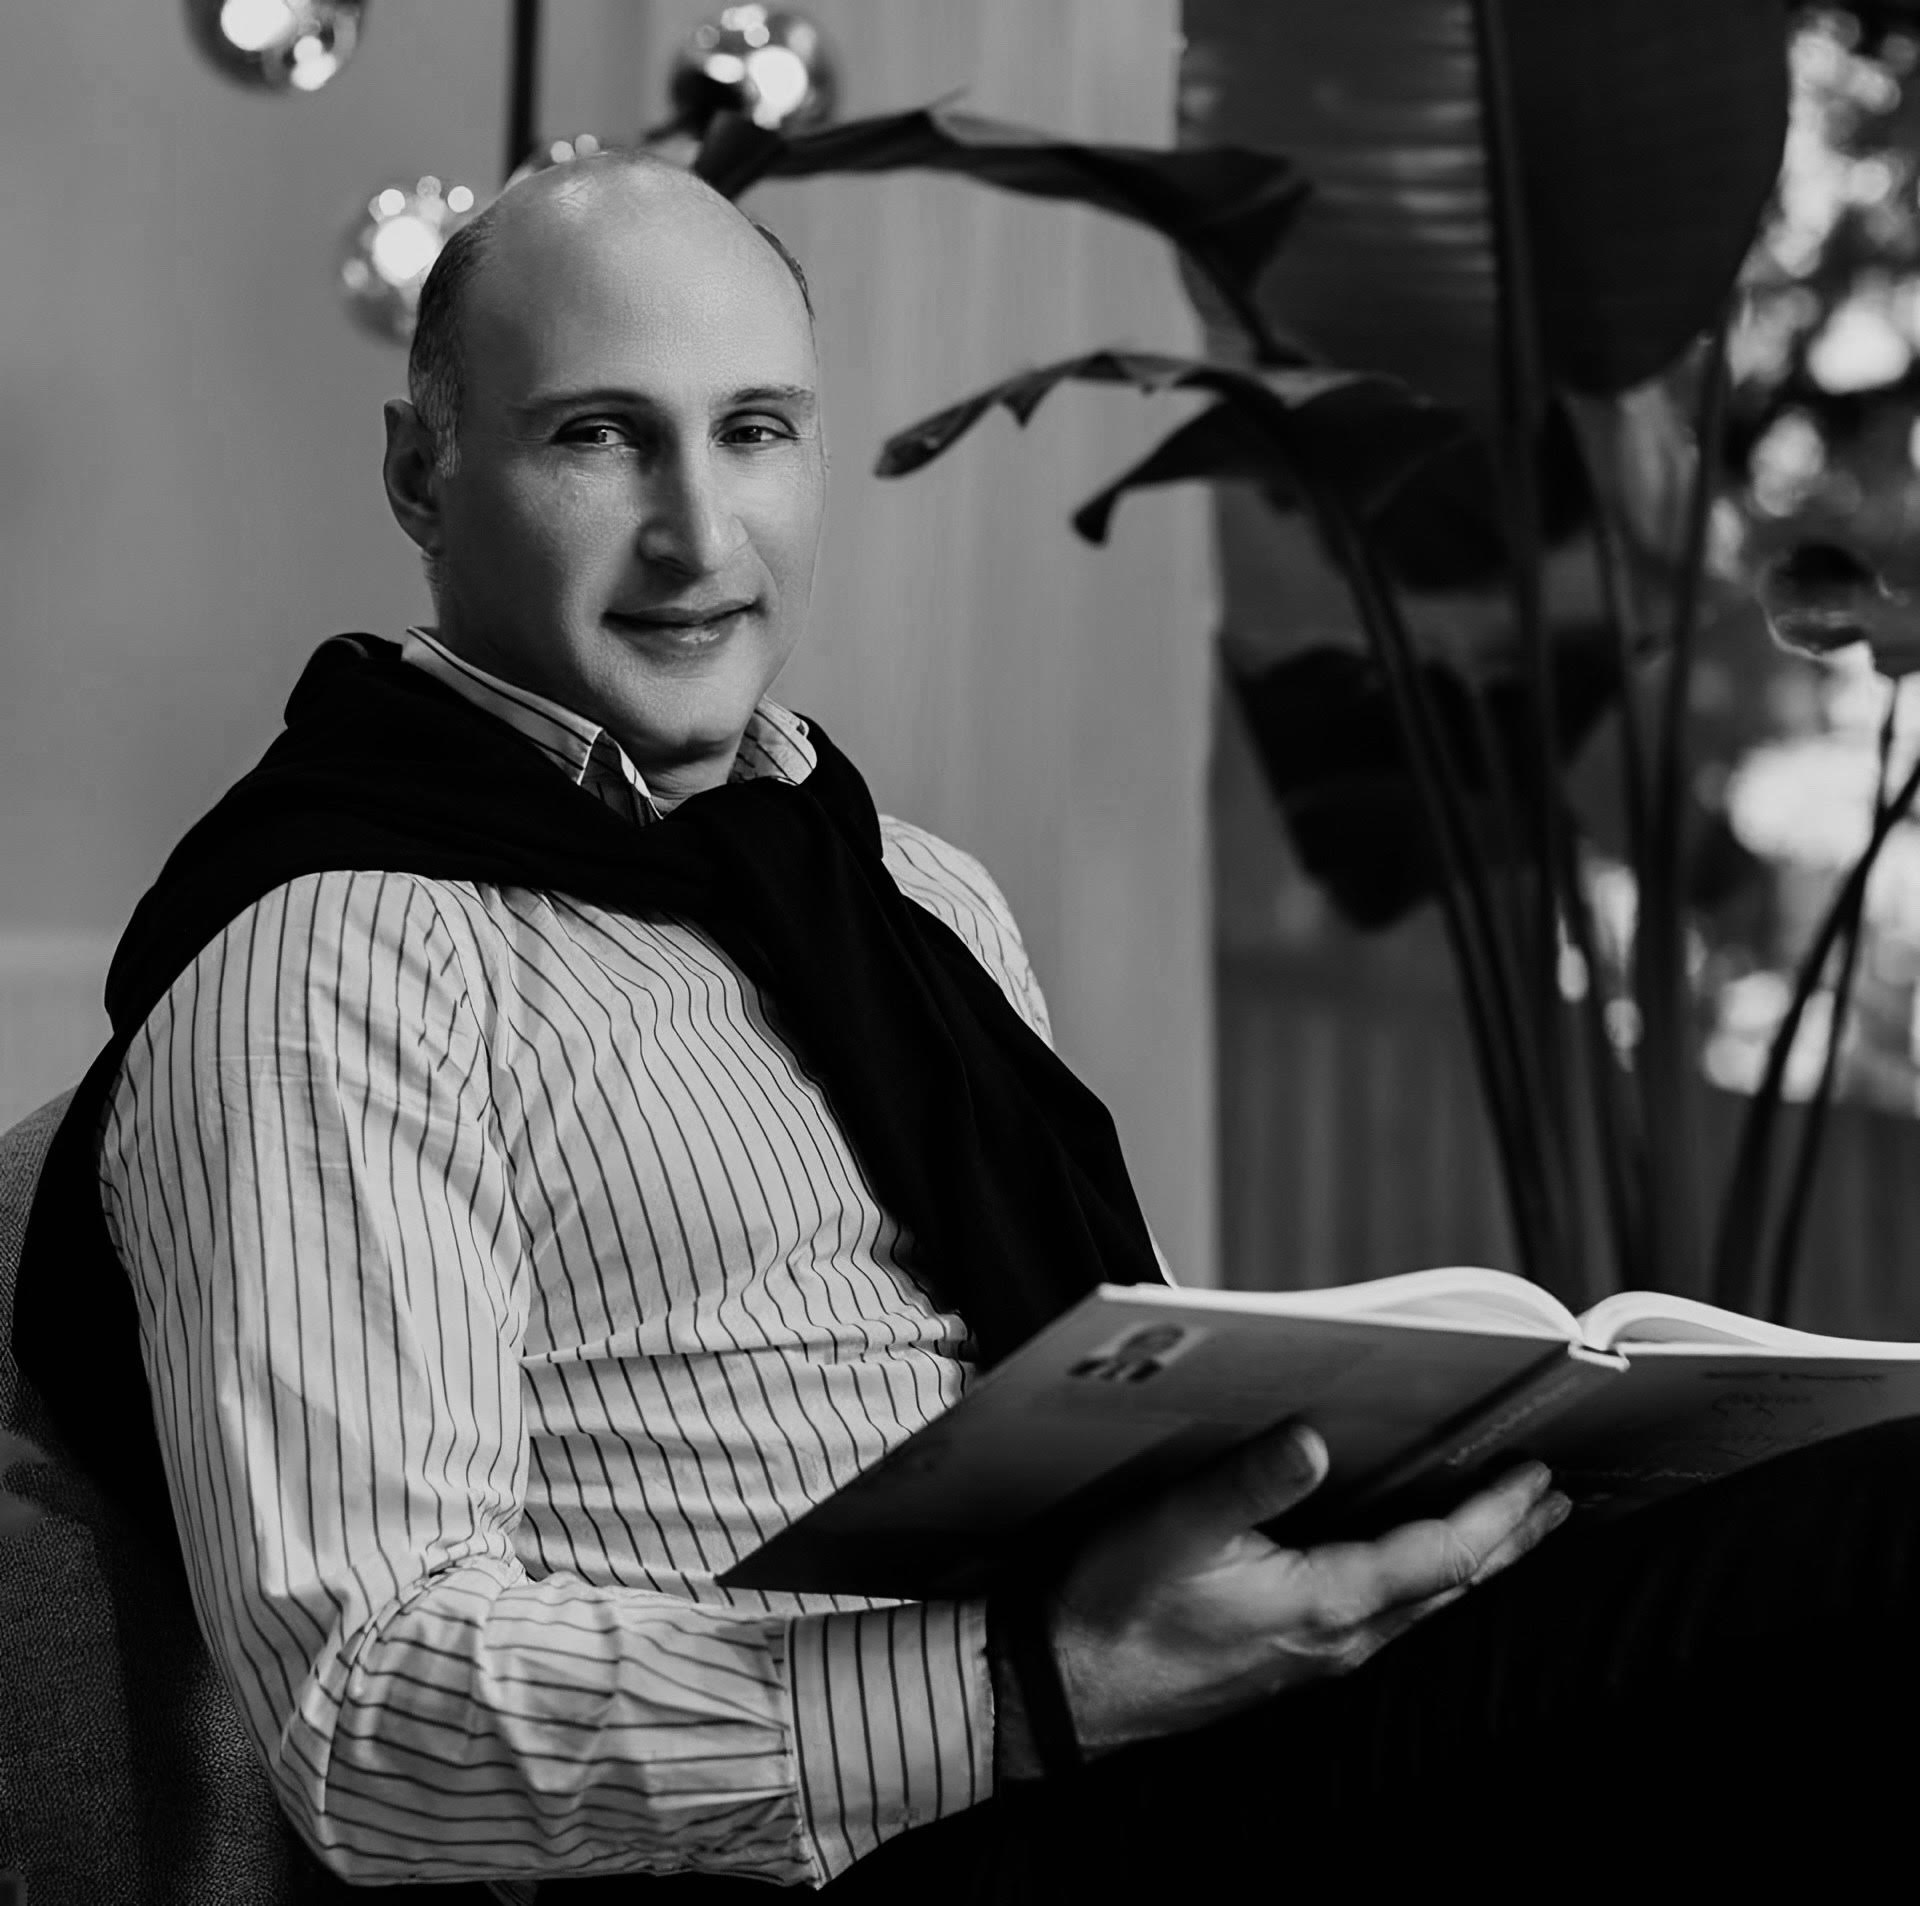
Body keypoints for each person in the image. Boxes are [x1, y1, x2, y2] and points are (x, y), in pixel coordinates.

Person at [14, 150, 1917, 1903]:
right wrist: (1035, 1686)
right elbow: (374, 1708)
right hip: (867, 1856)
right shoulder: (330, 955)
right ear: (422, 474)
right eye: (601, 436)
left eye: (753, 431)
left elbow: (1131, 1400)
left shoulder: (917, 893)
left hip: (1194, 1751)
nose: (699, 530)